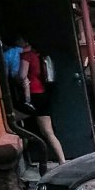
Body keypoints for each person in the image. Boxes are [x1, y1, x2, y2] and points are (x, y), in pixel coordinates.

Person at [15, 35, 66, 164]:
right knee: (49, 132)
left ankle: (19, 152)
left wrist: (16, 78)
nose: (17, 42)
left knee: (10, 122)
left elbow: (22, 76)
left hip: (32, 96)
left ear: (25, 41)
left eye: (19, 39)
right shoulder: (39, 55)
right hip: (43, 94)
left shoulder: (27, 56)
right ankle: (62, 161)